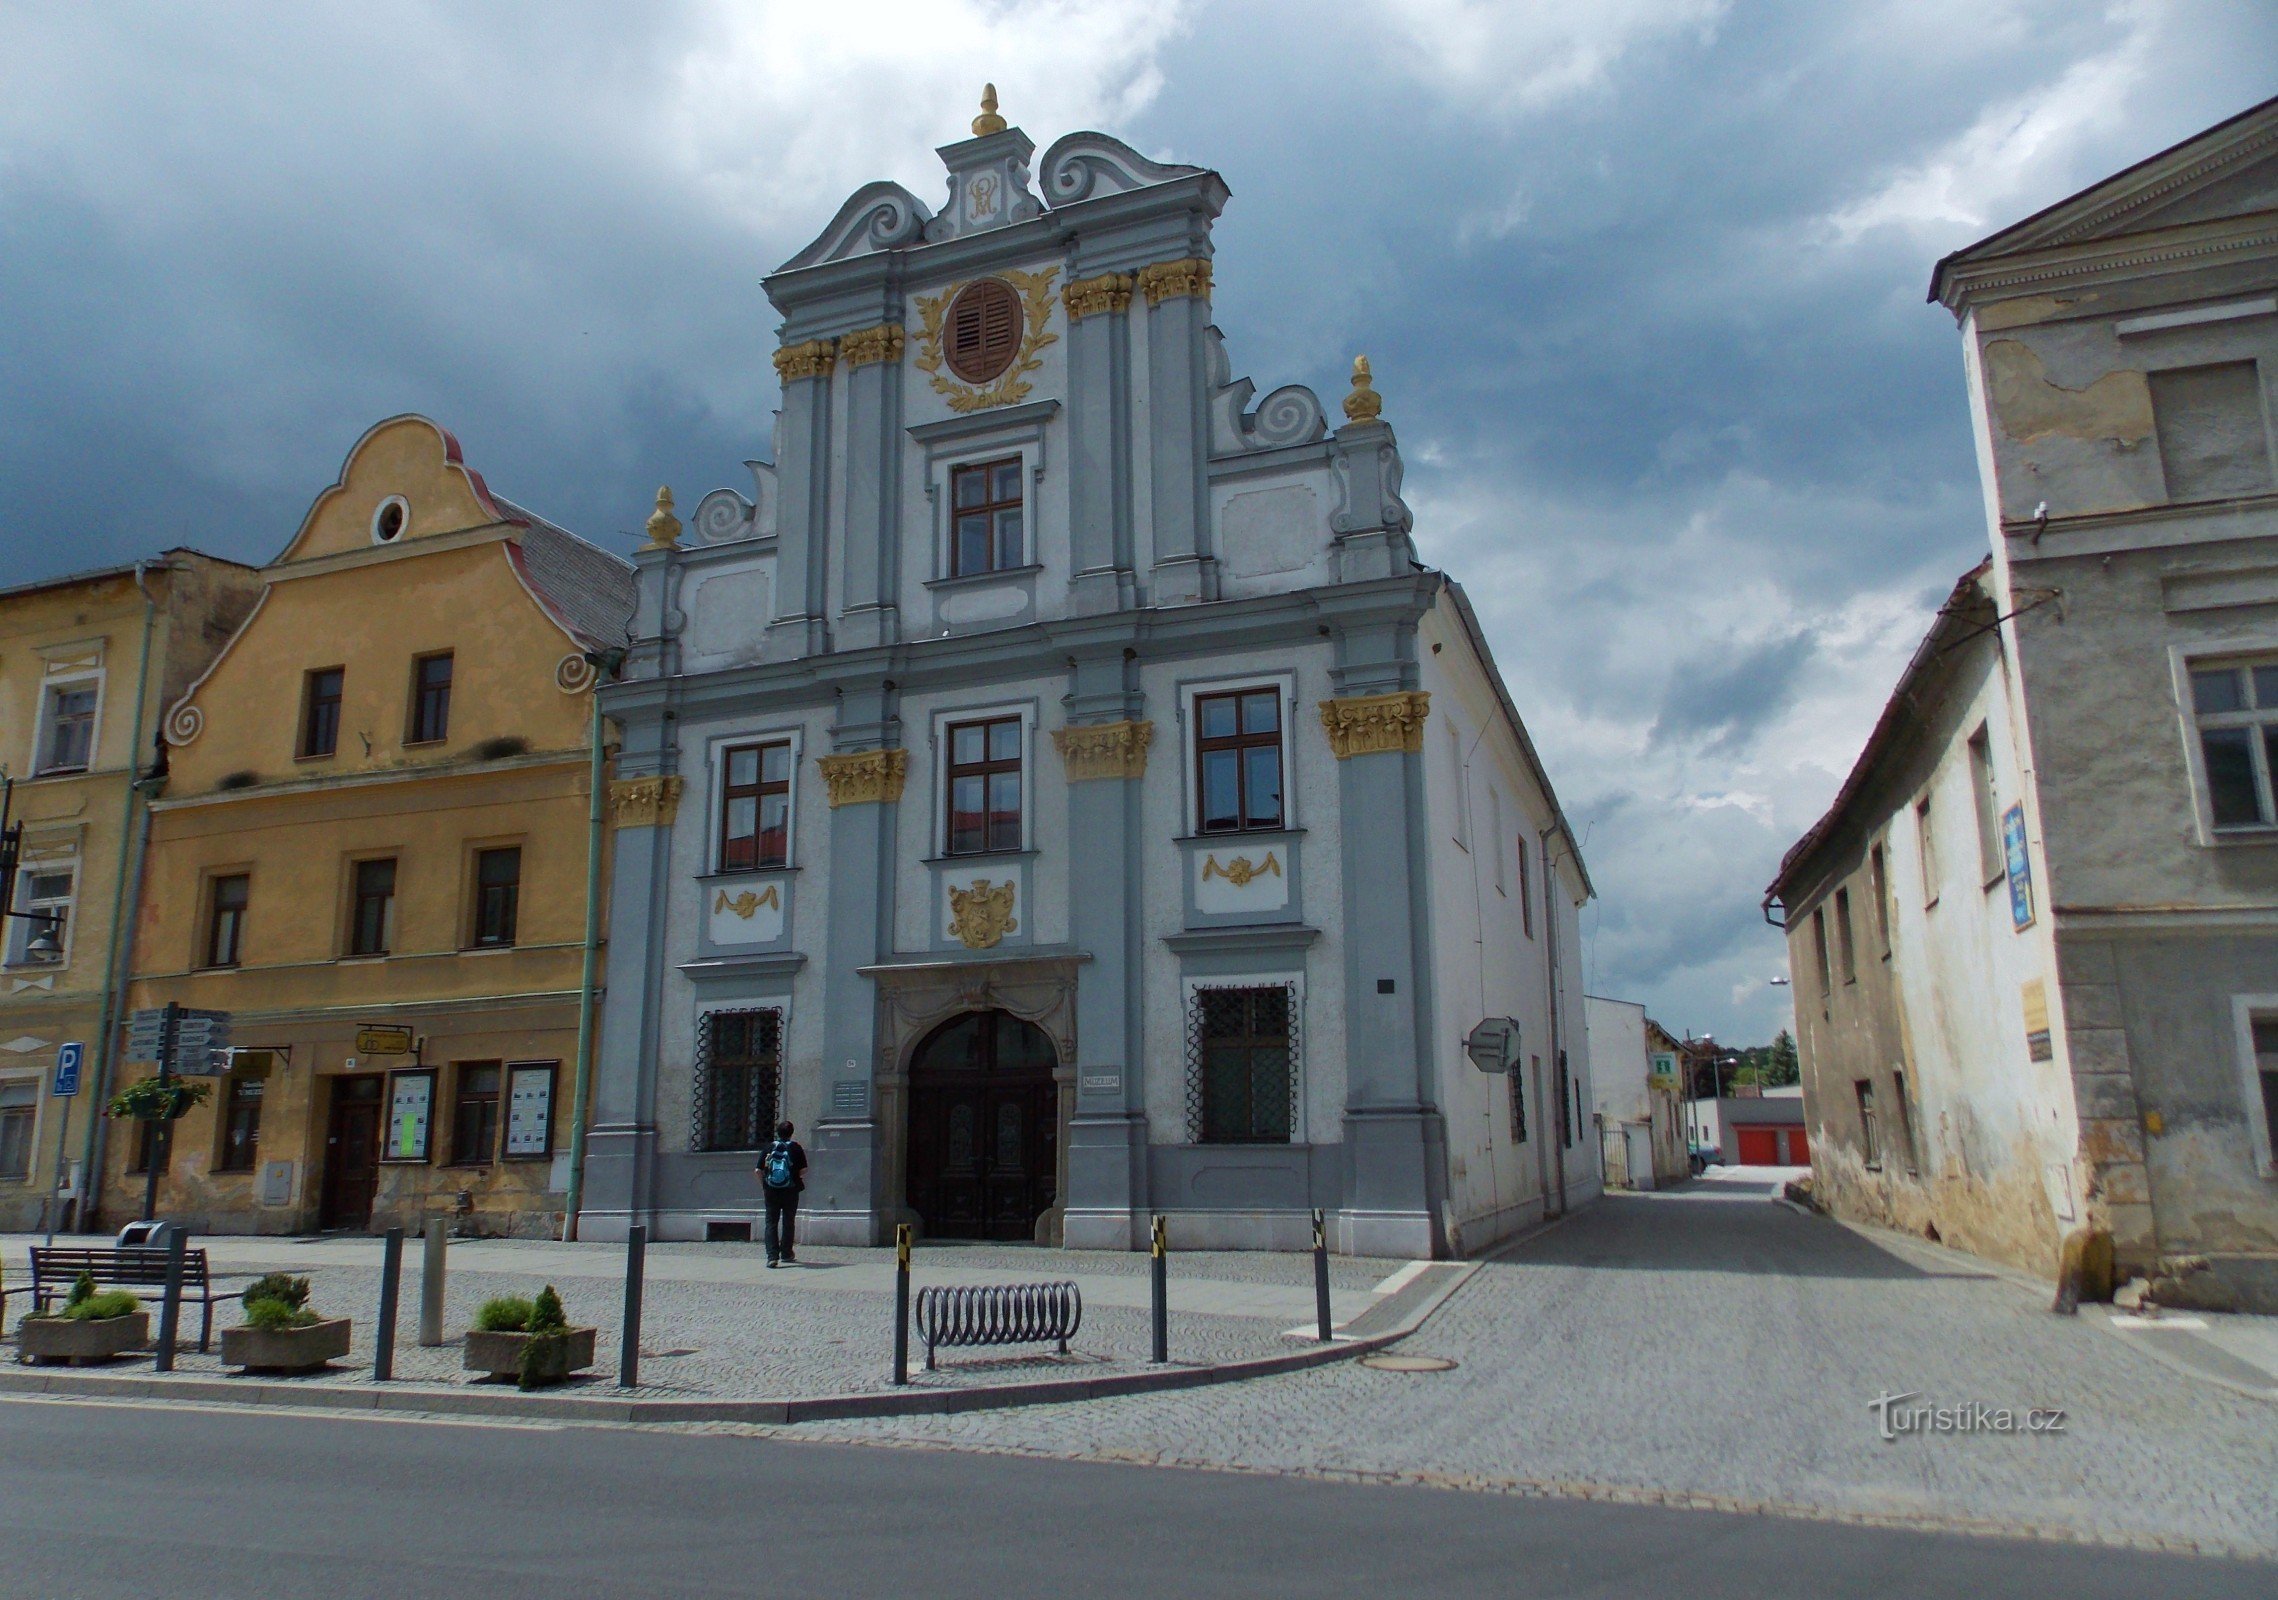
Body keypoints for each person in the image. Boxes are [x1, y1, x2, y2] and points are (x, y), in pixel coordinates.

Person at [758, 1119, 808, 1267]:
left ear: (777, 1132)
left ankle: (772, 1256)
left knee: (771, 1222)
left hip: (771, 1190)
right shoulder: (796, 1148)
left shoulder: (769, 1147)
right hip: (791, 1190)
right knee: (788, 1221)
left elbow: (757, 1170)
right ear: (791, 1133)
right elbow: (804, 1169)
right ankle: (786, 1253)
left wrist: (765, 1185)